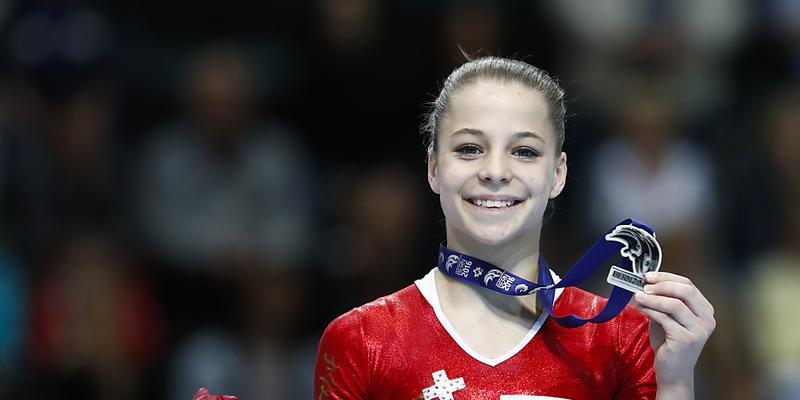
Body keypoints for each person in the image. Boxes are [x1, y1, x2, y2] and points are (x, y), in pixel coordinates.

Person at [313, 56, 715, 399]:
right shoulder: (363, 340)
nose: (495, 172)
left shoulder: (620, 338)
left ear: (557, 174)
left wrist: (676, 382)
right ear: (434, 168)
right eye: (470, 148)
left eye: (524, 151)